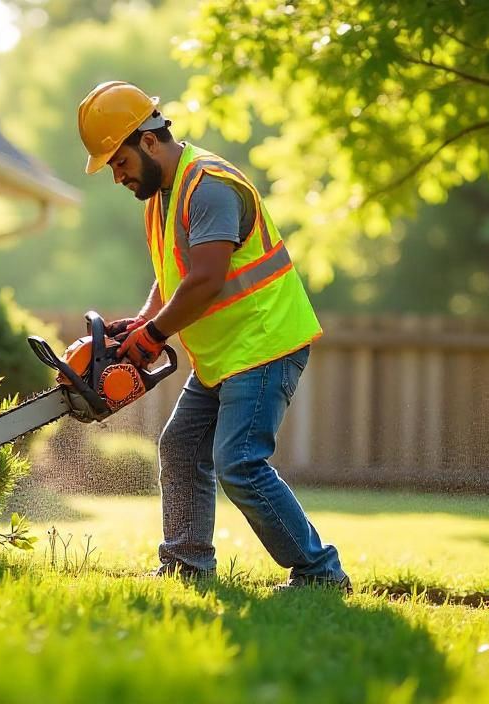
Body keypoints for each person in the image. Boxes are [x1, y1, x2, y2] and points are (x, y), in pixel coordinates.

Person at [77, 80, 350, 592]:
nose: (117, 176)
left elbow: (206, 278)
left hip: (265, 342)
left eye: (119, 162)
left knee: (239, 462)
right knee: (180, 447)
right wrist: (142, 325)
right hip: (227, 353)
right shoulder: (163, 196)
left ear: (149, 141)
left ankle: (321, 572)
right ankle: (186, 565)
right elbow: (175, 274)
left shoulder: (209, 185)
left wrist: (154, 336)